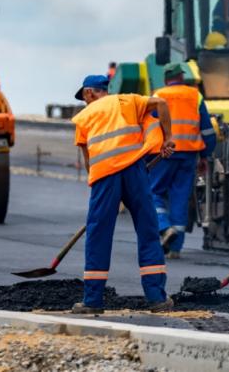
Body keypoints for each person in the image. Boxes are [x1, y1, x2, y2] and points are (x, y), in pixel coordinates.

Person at [70, 75, 176, 314]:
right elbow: (161, 104)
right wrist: (168, 137)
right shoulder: (128, 101)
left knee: (98, 234)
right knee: (148, 230)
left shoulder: (85, 117)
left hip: (105, 176)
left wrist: (101, 194)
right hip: (135, 171)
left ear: (89, 93)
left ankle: (93, 301)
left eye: (85, 97)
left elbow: (88, 161)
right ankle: (157, 298)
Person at [149, 64, 216, 259]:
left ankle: (163, 227)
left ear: (166, 79)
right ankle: (175, 249)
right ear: (181, 76)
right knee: (180, 198)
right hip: (188, 154)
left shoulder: (157, 95)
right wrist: (205, 155)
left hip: (163, 153)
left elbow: (149, 126)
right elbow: (207, 131)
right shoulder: (195, 95)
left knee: (152, 191)